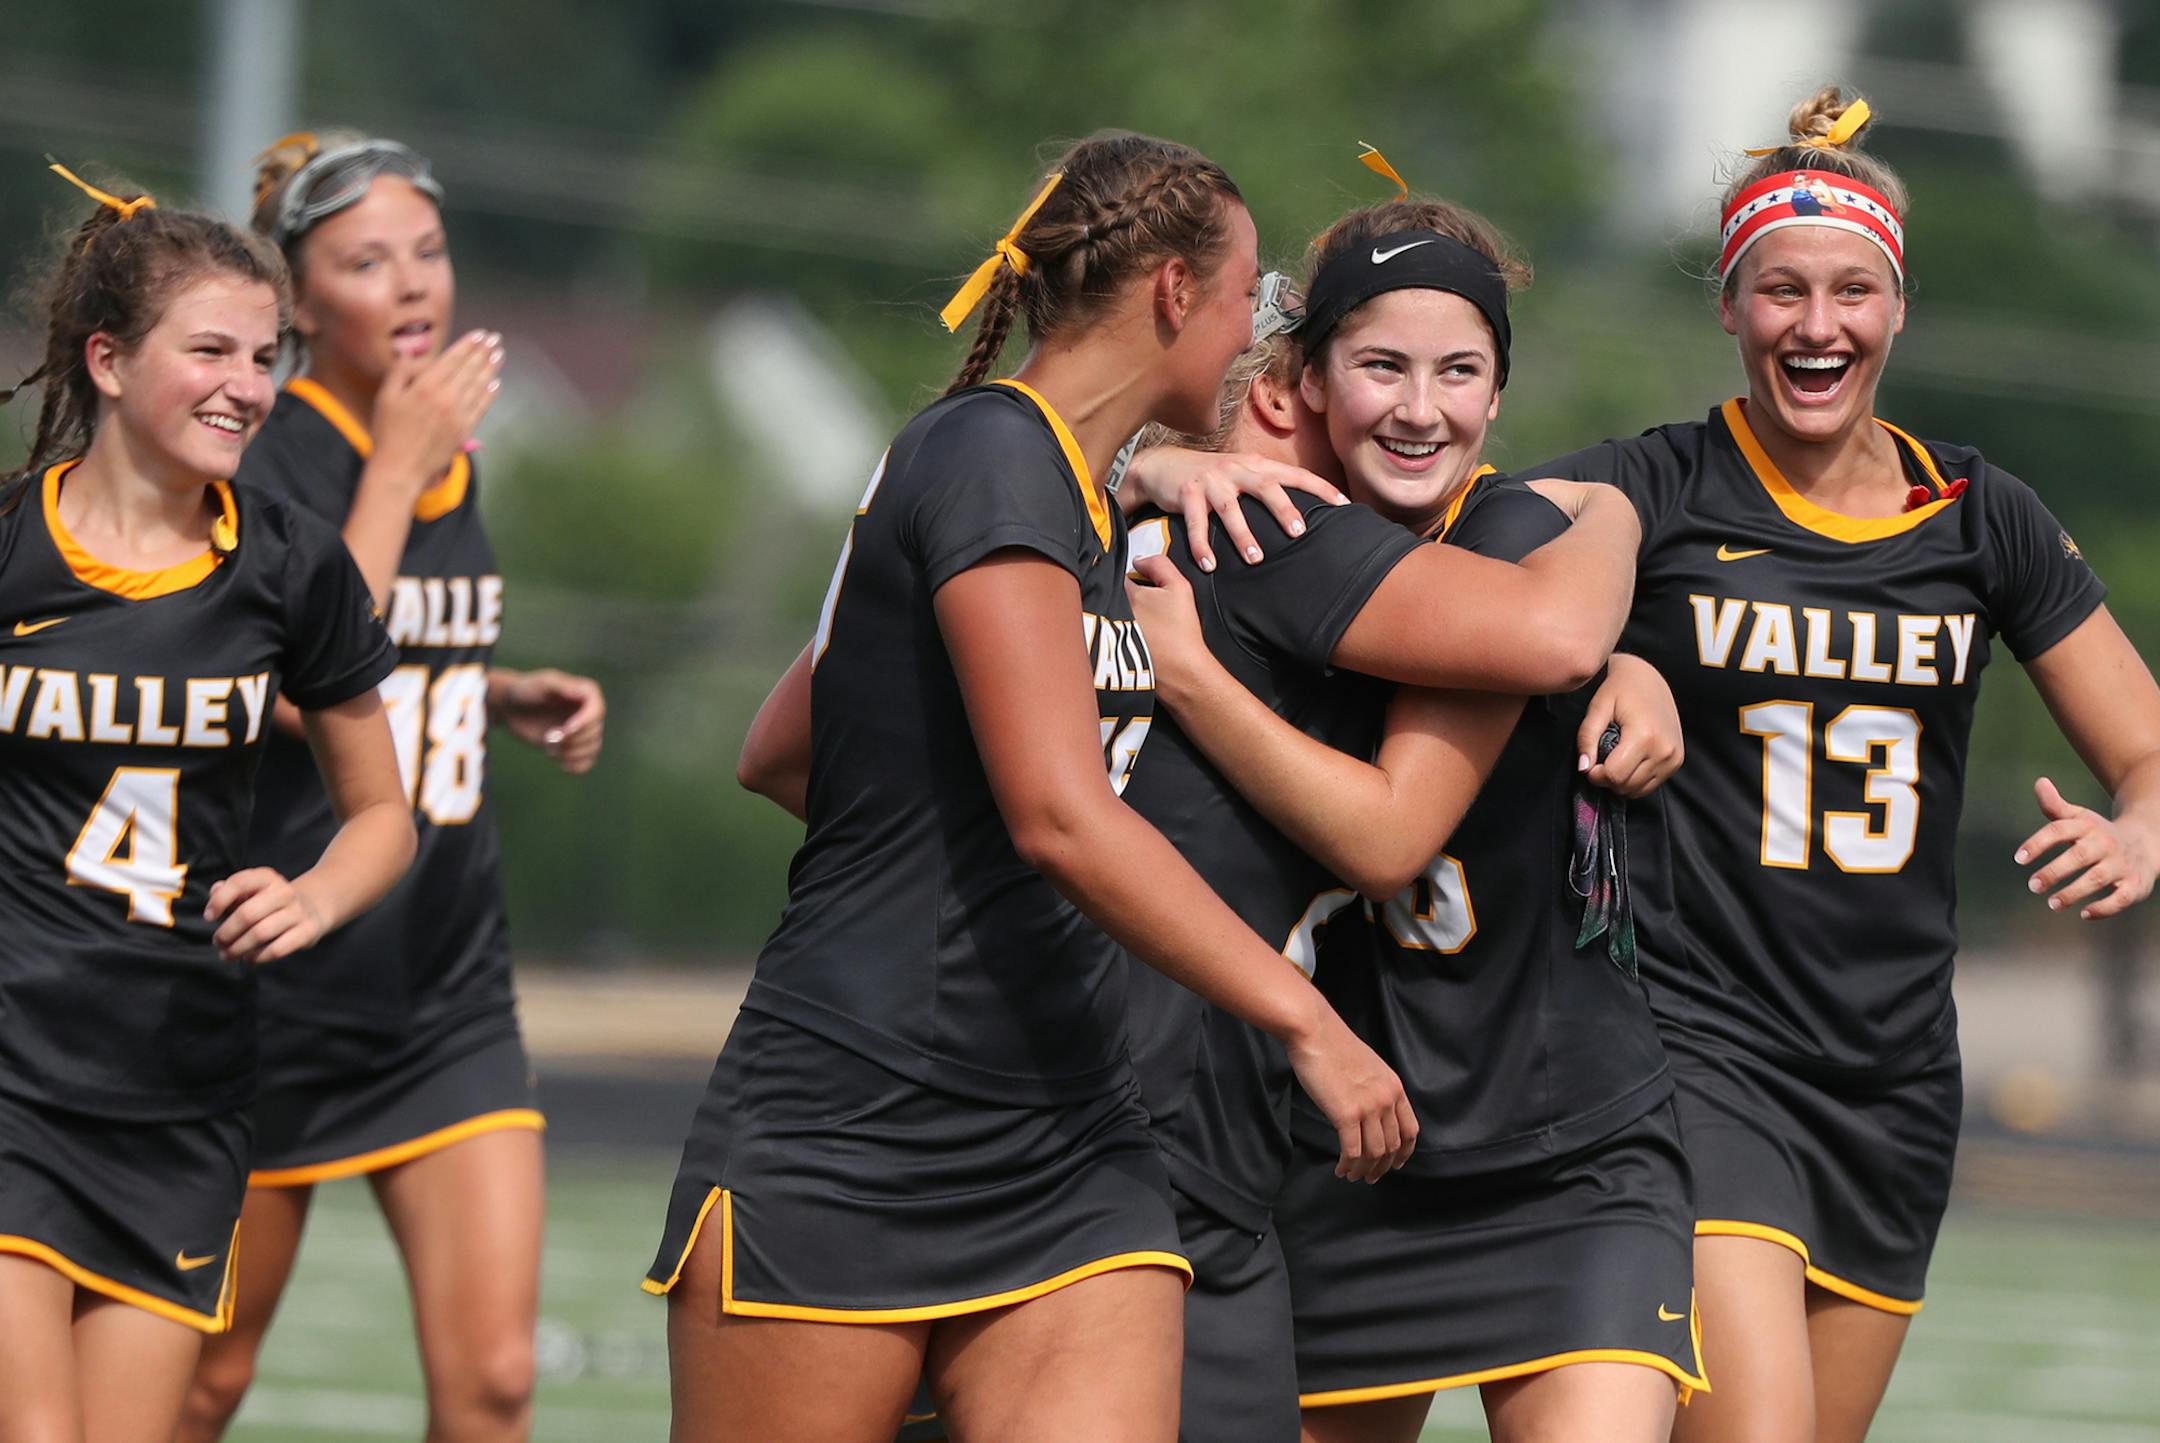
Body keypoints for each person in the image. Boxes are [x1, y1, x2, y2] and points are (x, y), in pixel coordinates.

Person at [647, 129, 1418, 1443]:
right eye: (1246, 298)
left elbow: (790, 748)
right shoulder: (987, 455)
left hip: (1071, 1140)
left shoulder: (1084, 497)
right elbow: (1059, 813)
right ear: (1174, 289)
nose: (1253, 336)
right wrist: (1306, 1017)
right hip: (854, 1119)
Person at [1525, 88, 2160, 1443]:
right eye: (1781, 290)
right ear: (1730, 305)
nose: (1818, 326)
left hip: (1895, 1073)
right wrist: (1597, 653)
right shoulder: (1654, 485)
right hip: (1698, 1047)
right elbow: (1423, 537)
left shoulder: (1977, 509)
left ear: (1900, 305)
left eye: (1852, 290)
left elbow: (2145, 745)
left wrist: (2142, 825)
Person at [1122, 197, 1703, 1443]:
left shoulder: (1512, 535)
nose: (1419, 407)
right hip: (1349, 1154)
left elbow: (1393, 833)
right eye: (1381, 367)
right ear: (1306, 381)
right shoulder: (1262, 541)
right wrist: (1147, 461)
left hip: (1564, 1151)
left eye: (1461, 373)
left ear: (1499, 396)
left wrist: (1613, 532)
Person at [176, 132, 606, 1443]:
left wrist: (493, 685)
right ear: (299, 305)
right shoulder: (272, 455)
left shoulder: (435, 448)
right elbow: (296, 676)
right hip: (268, 988)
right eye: (367, 261)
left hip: (444, 988)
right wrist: (388, 474)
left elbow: (392, 665)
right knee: (201, 1380)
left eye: (428, 250)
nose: (414, 283)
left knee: (493, 1384)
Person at [0, 169, 415, 1443]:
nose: (250, 382)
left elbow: (381, 814)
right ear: (110, 361)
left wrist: (312, 893)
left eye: (267, 354)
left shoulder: (291, 564)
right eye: (212, 350)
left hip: (180, 1091)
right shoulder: (12, 545)